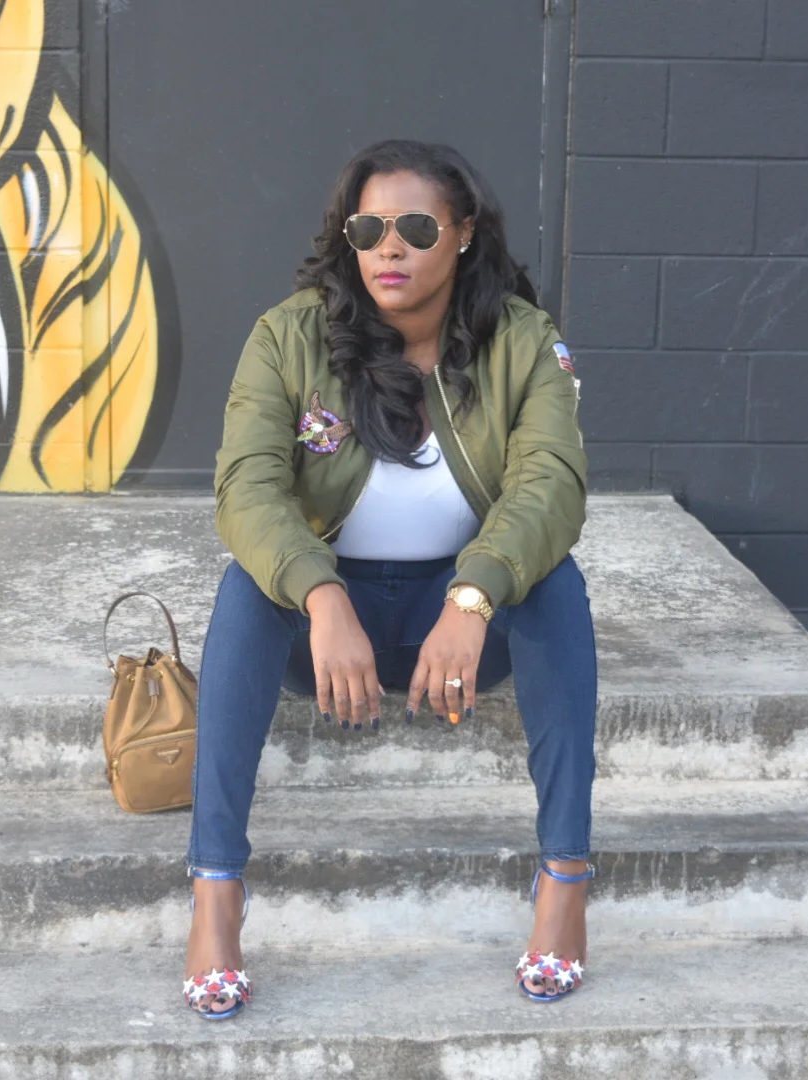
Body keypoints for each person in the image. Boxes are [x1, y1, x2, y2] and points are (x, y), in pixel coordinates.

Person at [182, 138, 597, 1019]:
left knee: (556, 584)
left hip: (461, 627)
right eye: (368, 230)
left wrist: (473, 594)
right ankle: (216, 892)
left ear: (464, 233)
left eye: (416, 228)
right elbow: (246, 488)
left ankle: (564, 880)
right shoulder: (289, 336)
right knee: (244, 589)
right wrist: (321, 594)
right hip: (330, 629)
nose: (389, 249)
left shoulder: (522, 341)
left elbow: (551, 485)